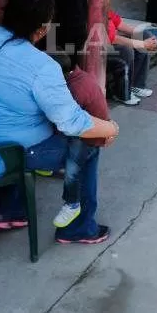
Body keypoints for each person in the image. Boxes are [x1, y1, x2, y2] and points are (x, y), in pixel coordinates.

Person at [0, 0, 120, 242]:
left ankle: (10, 211)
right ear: (42, 30)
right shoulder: (42, 66)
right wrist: (110, 129)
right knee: (88, 145)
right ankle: (78, 228)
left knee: (17, 130)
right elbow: (73, 124)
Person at [49, 54, 107, 229]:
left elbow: (66, 122)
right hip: (90, 132)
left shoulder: (75, 89)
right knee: (85, 175)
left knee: (73, 169)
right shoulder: (78, 77)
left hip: (88, 137)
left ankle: (71, 203)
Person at [106, 9, 157, 106]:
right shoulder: (93, 8)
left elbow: (120, 24)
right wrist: (142, 44)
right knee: (126, 51)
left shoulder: (105, 7)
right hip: (98, 50)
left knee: (144, 35)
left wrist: (147, 37)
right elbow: (112, 39)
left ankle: (136, 85)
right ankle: (122, 94)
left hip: (112, 42)